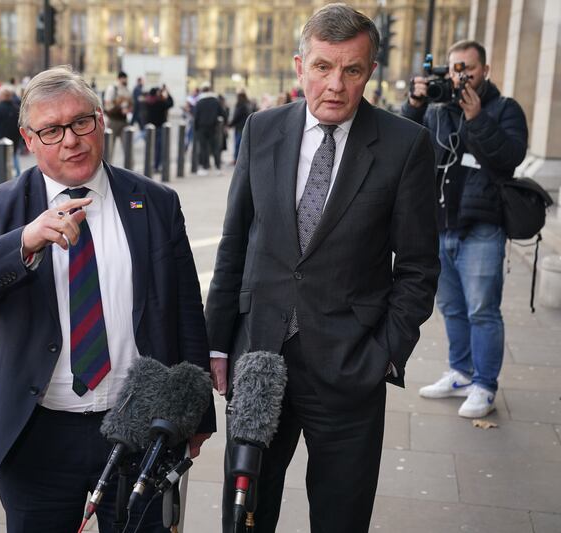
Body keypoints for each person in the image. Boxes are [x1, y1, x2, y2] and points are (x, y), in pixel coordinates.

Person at [0, 66, 215, 533]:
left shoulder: (155, 202)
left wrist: (197, 413)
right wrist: (24, 241)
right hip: (37, 433)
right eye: (52, 130)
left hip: (138, 426)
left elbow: (186, 309)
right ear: (29, 139)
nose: (71, 139)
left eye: (81, 122)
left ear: (100, 121)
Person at [205, 4, 440, 532]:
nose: (335, 84)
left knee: (341, 517)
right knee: (244, 515)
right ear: (299, 65)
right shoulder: (261, 130)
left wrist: (385, 354)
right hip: (259, 363)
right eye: (322, 67)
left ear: (369, 72)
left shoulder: (405, 146)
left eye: (351, 70)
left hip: (351, 368)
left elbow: (420, 267)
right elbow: (235, 241)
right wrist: (218, 341)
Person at [402, 40, 528, 418]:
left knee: (482, 311)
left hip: (482, 227)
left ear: (485, 71)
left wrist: (477, 119)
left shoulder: (505, 109)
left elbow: (509, 158)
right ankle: (460, 373)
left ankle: (485, 385)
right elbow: (402, 147)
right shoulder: (439, 108)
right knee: (452, 308)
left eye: (469, 69)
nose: (461, 77)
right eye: (456, 69)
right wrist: (414, 105)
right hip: (440, 225)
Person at [193, 83, 223, 175]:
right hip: (213, 127)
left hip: (202, 128)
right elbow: (222, 113)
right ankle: (218, 167)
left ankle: (204, 167)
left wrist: (196, 127)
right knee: (215, 148)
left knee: (203, 148)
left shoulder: (199, 102)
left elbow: (196, 116)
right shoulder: (215, 101)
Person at [143, 85, 174, 171]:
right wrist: (167, 92)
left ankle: (149, 166)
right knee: (158, 148)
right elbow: (171, 103)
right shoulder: (161, 102)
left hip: (149, 128)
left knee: (150, 147)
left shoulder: (147, 102)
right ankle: (156, 166)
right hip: (160, 128)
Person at [0, 84, 22, 177]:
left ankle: (2, 175)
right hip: (15, 137)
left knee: (2, 158)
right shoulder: (16, 108)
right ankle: (17, 175)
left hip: (1, 137)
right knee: (14, 156)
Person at [103, 70, 132, 158]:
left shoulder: (126, 89)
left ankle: (129, 166)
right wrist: (119, 105)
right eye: (124, 79)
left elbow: (130, 103)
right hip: (113, 120)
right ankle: (107, 168)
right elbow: (107, 104)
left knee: (127, 147)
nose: (126, 81)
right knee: (109, 148)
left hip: (123, 120)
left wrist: (129, 109)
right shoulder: (112, 88)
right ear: (120, 79)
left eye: (126, 79)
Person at [228, 90, 252, 165]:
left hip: (239, 127)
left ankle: (237, 159)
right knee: (242, 144)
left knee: (238, 144)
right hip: (244, 127)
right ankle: (239, 159)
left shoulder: (241, 105)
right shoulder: (247, 104)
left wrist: (229, 125)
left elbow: (236, 117)